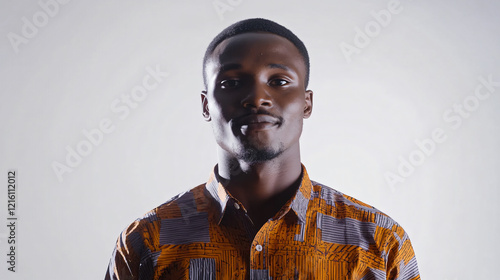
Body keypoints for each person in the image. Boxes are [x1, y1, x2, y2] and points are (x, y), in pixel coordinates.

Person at [105, 18, 420, 280]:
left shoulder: (378, 243)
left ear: (307, 103)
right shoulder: (148, 241)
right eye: (231, 83)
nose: (257, 98)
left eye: (279, 81)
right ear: (205, 105)